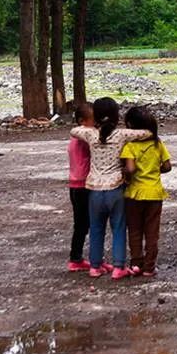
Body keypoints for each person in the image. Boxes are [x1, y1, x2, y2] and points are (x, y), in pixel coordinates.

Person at [70, 97, 153, 279]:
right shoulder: (122, 134)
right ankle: (118, 267)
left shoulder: (91, 134)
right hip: (115, 188)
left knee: (96, 229)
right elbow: (146, 133)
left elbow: (73, 131)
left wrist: (91, 128)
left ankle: (94, 266)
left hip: (94, 190)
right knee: (118, 228)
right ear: (116, 115)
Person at [121, 107, 172, 277]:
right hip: (155, 194)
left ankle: (136, 263)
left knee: (134, 230)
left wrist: (126, 175)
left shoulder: (130, 146)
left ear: (130, 126)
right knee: (152, 232)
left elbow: (130, 169)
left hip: (134, 194)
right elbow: (167, 166)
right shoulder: (158, 143)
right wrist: (154, 171)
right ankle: (150, 266)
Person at [65, 102, 94, 272]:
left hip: (74, 184)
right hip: (84, 185)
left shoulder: (74, 139)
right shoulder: (84, 137)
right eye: (94, 121)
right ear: (82, 121)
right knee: (86, 223)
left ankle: (76, 257)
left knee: (80, 224)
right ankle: (76, 258)